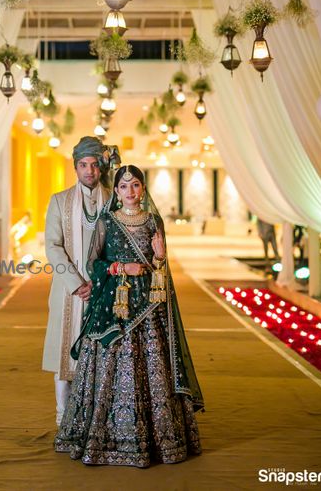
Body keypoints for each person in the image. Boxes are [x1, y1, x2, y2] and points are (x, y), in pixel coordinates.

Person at [54, 164, 204, 467]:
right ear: (118, 191)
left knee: (152, 365)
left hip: (148, 306)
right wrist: (121, 268)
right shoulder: (107, 221)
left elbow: (161, 268)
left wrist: (160, 258)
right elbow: (94, 264)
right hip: (114, 306)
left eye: (135, 185)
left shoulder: (153, 221)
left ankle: (158, 438)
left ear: (143, 188)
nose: (130, 191)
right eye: (123, 186)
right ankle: (104, 436)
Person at [42, 136, 111, 426]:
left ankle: (99, 420)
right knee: (65, 355)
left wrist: (100, 282)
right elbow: (52, 246)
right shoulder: (59, 201)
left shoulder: (114, 199)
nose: (89, 171)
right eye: (83, 165)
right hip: (69, 292)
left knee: (104, 354)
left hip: (106, 290)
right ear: (76, 167)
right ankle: (63, 418)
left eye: (95, 165)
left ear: (101, 167)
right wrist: (76, 283)